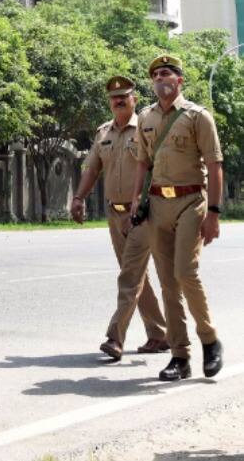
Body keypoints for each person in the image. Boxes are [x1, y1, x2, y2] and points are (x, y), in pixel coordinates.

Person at [128, 54, 224, 381]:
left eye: (166, 73)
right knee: (168, 283)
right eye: (155, 75)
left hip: (191, 201)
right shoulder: (145, 118)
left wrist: (213, 212)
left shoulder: (197, 116)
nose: (159, 78)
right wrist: (134, 201)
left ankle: (209, 340)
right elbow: (142, 162)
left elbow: (214, 165)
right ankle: (179, 357)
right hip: (157, 205)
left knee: (186, 273)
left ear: (179, 80)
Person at [71, 75, 168, 361]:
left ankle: (115, 336)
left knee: (129, 276)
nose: (119, 100)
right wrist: (78, 198)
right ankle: (159, 334)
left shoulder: (148, 128)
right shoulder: (104, 133)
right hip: (115, 214)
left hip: (143, 213)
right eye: (114, 97)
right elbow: (91, 169)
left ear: (134, 100)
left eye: (124, 96)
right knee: (137, 277)